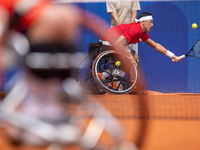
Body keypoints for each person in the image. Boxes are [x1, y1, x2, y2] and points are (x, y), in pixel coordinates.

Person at [0, 0, 109, 122]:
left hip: (43, 39)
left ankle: (42, 111)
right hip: (53, 35)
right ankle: (42, 111)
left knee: (64, 17)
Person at [99, 12, 180, 92]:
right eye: (150, 22)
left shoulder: (142, 33)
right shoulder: (135, 29)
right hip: (107, 43)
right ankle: (111, 77)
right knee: (133, 57)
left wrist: (172, 55)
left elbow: (155, 45)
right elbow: (117, 44)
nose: (152, 25)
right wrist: (130, 56)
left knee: (134, 57)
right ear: (143, 22)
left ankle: (105, 76)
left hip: (112, 42)